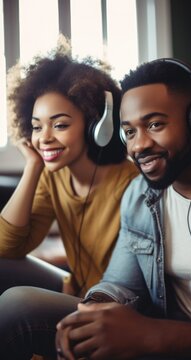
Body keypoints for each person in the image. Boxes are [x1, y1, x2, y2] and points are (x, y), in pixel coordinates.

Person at [55, 58, 191, 360]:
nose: (138, 146)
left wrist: (155, 336)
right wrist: (91, 311)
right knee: (21, 308)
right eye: (129, 132)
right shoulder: (138, 196)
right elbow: (120, 283)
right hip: (157, 344)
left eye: (154, 125)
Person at [0, 39, 138, 359]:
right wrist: (34, 166)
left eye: (59, 125)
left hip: (112, 310)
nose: (44, 137)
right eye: (37, 127)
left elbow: (133, 289)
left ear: (96, 126)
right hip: (74, 289)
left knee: (14, 306)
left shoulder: (132, 186)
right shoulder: (54, 176)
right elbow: (8, 247)